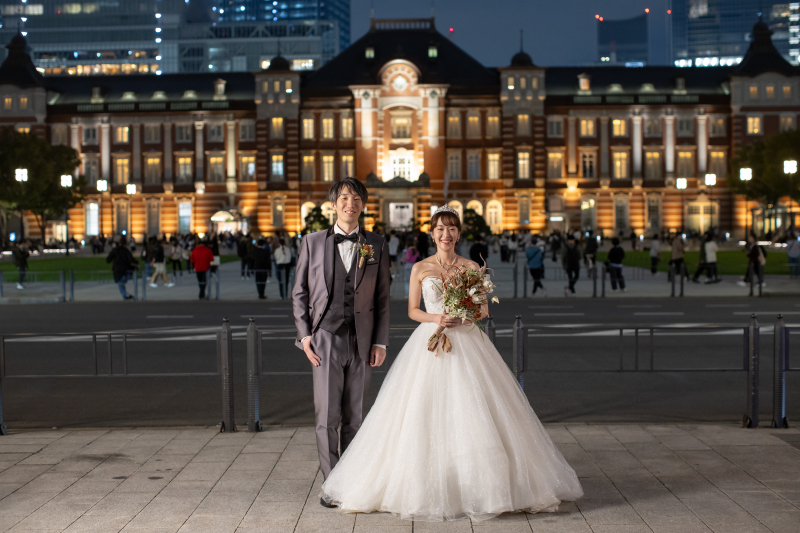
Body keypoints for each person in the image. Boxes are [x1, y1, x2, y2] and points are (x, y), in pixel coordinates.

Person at [319, 205, 583, 519]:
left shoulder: (471, 267)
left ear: (458, 233)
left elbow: (483, 311)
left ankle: (483, 485)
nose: (446, 235)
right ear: (432, 234)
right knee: (417, 412)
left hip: (466, 339)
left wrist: (462, 315)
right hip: (429, 341)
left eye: (452, 229)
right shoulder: (420, 268)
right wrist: (437, 319)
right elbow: (413, 311)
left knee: (475, 409)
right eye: (441, 229)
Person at [292, 177, 391, 502]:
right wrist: (305, 336)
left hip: (362, 341)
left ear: (363, 205)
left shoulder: (375, 244)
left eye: (357, 198)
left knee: (355, 416)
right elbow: (300, 293)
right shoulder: (312, 241)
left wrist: (380, 341)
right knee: (326, 417)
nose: (351, 203)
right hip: (324, 338)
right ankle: (332, 485)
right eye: (345, 198)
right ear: (334, 204)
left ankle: (350, 481)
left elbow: (382, 298)